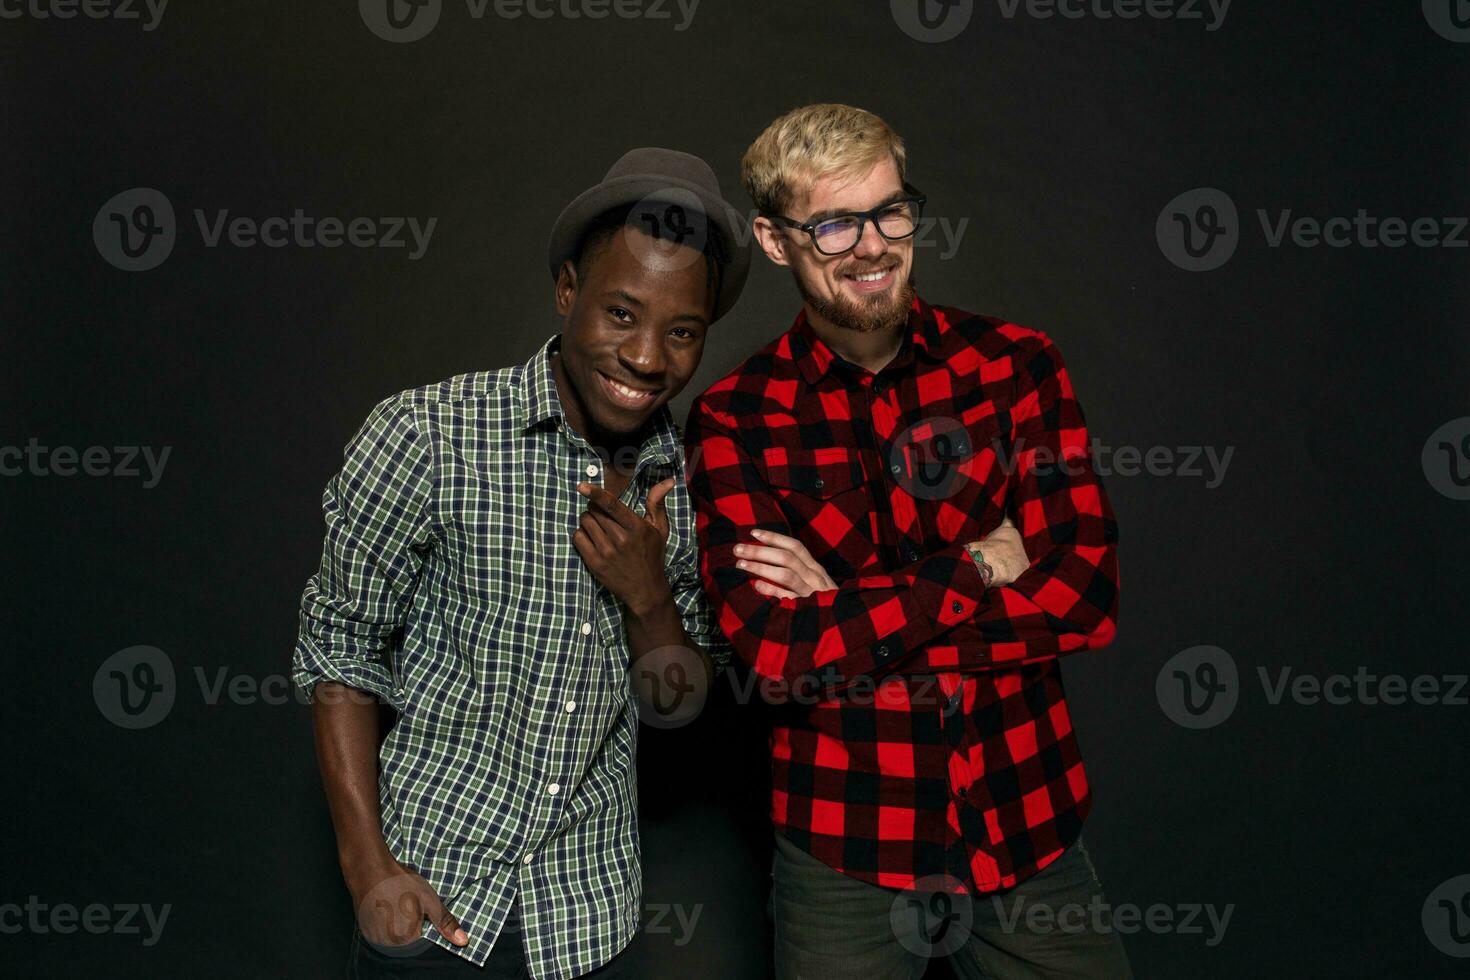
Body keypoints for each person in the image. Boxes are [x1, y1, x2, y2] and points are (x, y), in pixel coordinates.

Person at [684, 103, 1132, 978]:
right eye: (835, 223)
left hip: (1026, 821)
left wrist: (844, 618)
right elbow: (775, 655)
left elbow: (1085, 595)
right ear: (777, 242)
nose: (873, 245)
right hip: (845, 847)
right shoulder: (735, 418)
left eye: (891, 211)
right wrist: (977, 566)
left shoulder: (1018, 366)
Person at [292, 147, 749, 978]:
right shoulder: (427, 434)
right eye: (620, 314)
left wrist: (650, 602)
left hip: (588, 922)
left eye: (682, 332)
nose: (648, 358)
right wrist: (369, 872)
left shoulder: (699, 484)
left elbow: (679, 713)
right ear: (568, 291)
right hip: (433, 896)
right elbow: (339, 653)